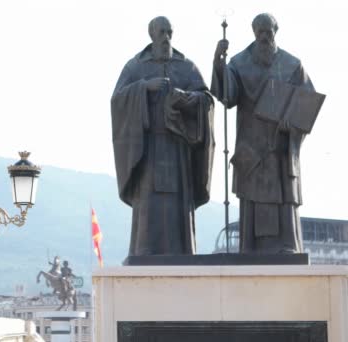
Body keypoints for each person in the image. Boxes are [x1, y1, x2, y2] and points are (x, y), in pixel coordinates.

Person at [111, 16, 215, 257]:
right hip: (148, 150)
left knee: (178, 205)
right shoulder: (135, 67)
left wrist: (189, 99)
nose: (166, 38)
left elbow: (206, 99)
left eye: (170, 32)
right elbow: (117, 101)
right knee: (150, 204)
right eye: (162, 33)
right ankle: (145, 251)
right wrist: (144, 87)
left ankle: (182, 252)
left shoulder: (186, 66)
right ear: (152, 35)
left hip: (178, 150)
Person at [211, 13, 315, 254]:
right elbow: (228, 95)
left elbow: (308, 103)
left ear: (275, 32)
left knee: (282, 195)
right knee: (253, 196)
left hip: (280, 146)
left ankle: (287, 245)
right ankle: (251, 246)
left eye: (268, 31)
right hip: (252, 144)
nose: (264, 36)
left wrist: (291, 123)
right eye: (260, 32)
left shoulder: (292, 64)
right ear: (253, 32)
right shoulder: (238, 63)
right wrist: (218, 61)